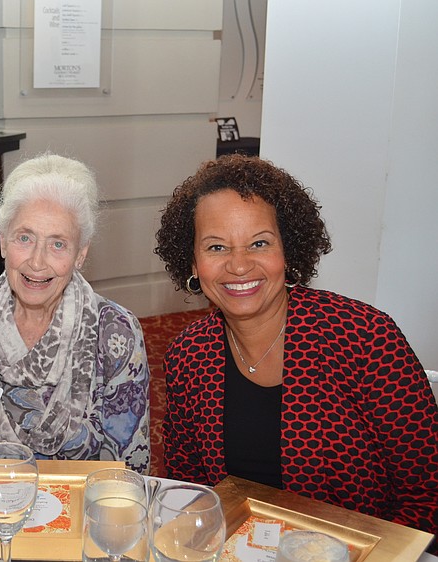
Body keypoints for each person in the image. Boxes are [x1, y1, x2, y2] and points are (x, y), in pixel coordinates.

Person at [155, 154, 438, 536]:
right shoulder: (188, 355)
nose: (239, 266)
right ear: (192, 263)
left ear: (287, 253)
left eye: (259, 243)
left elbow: (428, 494)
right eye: (216, 248)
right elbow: (188, 487)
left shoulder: (364, 338)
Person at [0, 154, 151, 474]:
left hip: (79, 513)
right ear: (3, 242)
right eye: (25, 238)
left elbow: (129, 467)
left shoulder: (116, 333)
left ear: (80, 254)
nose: (37, 262)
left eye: (58, 244)